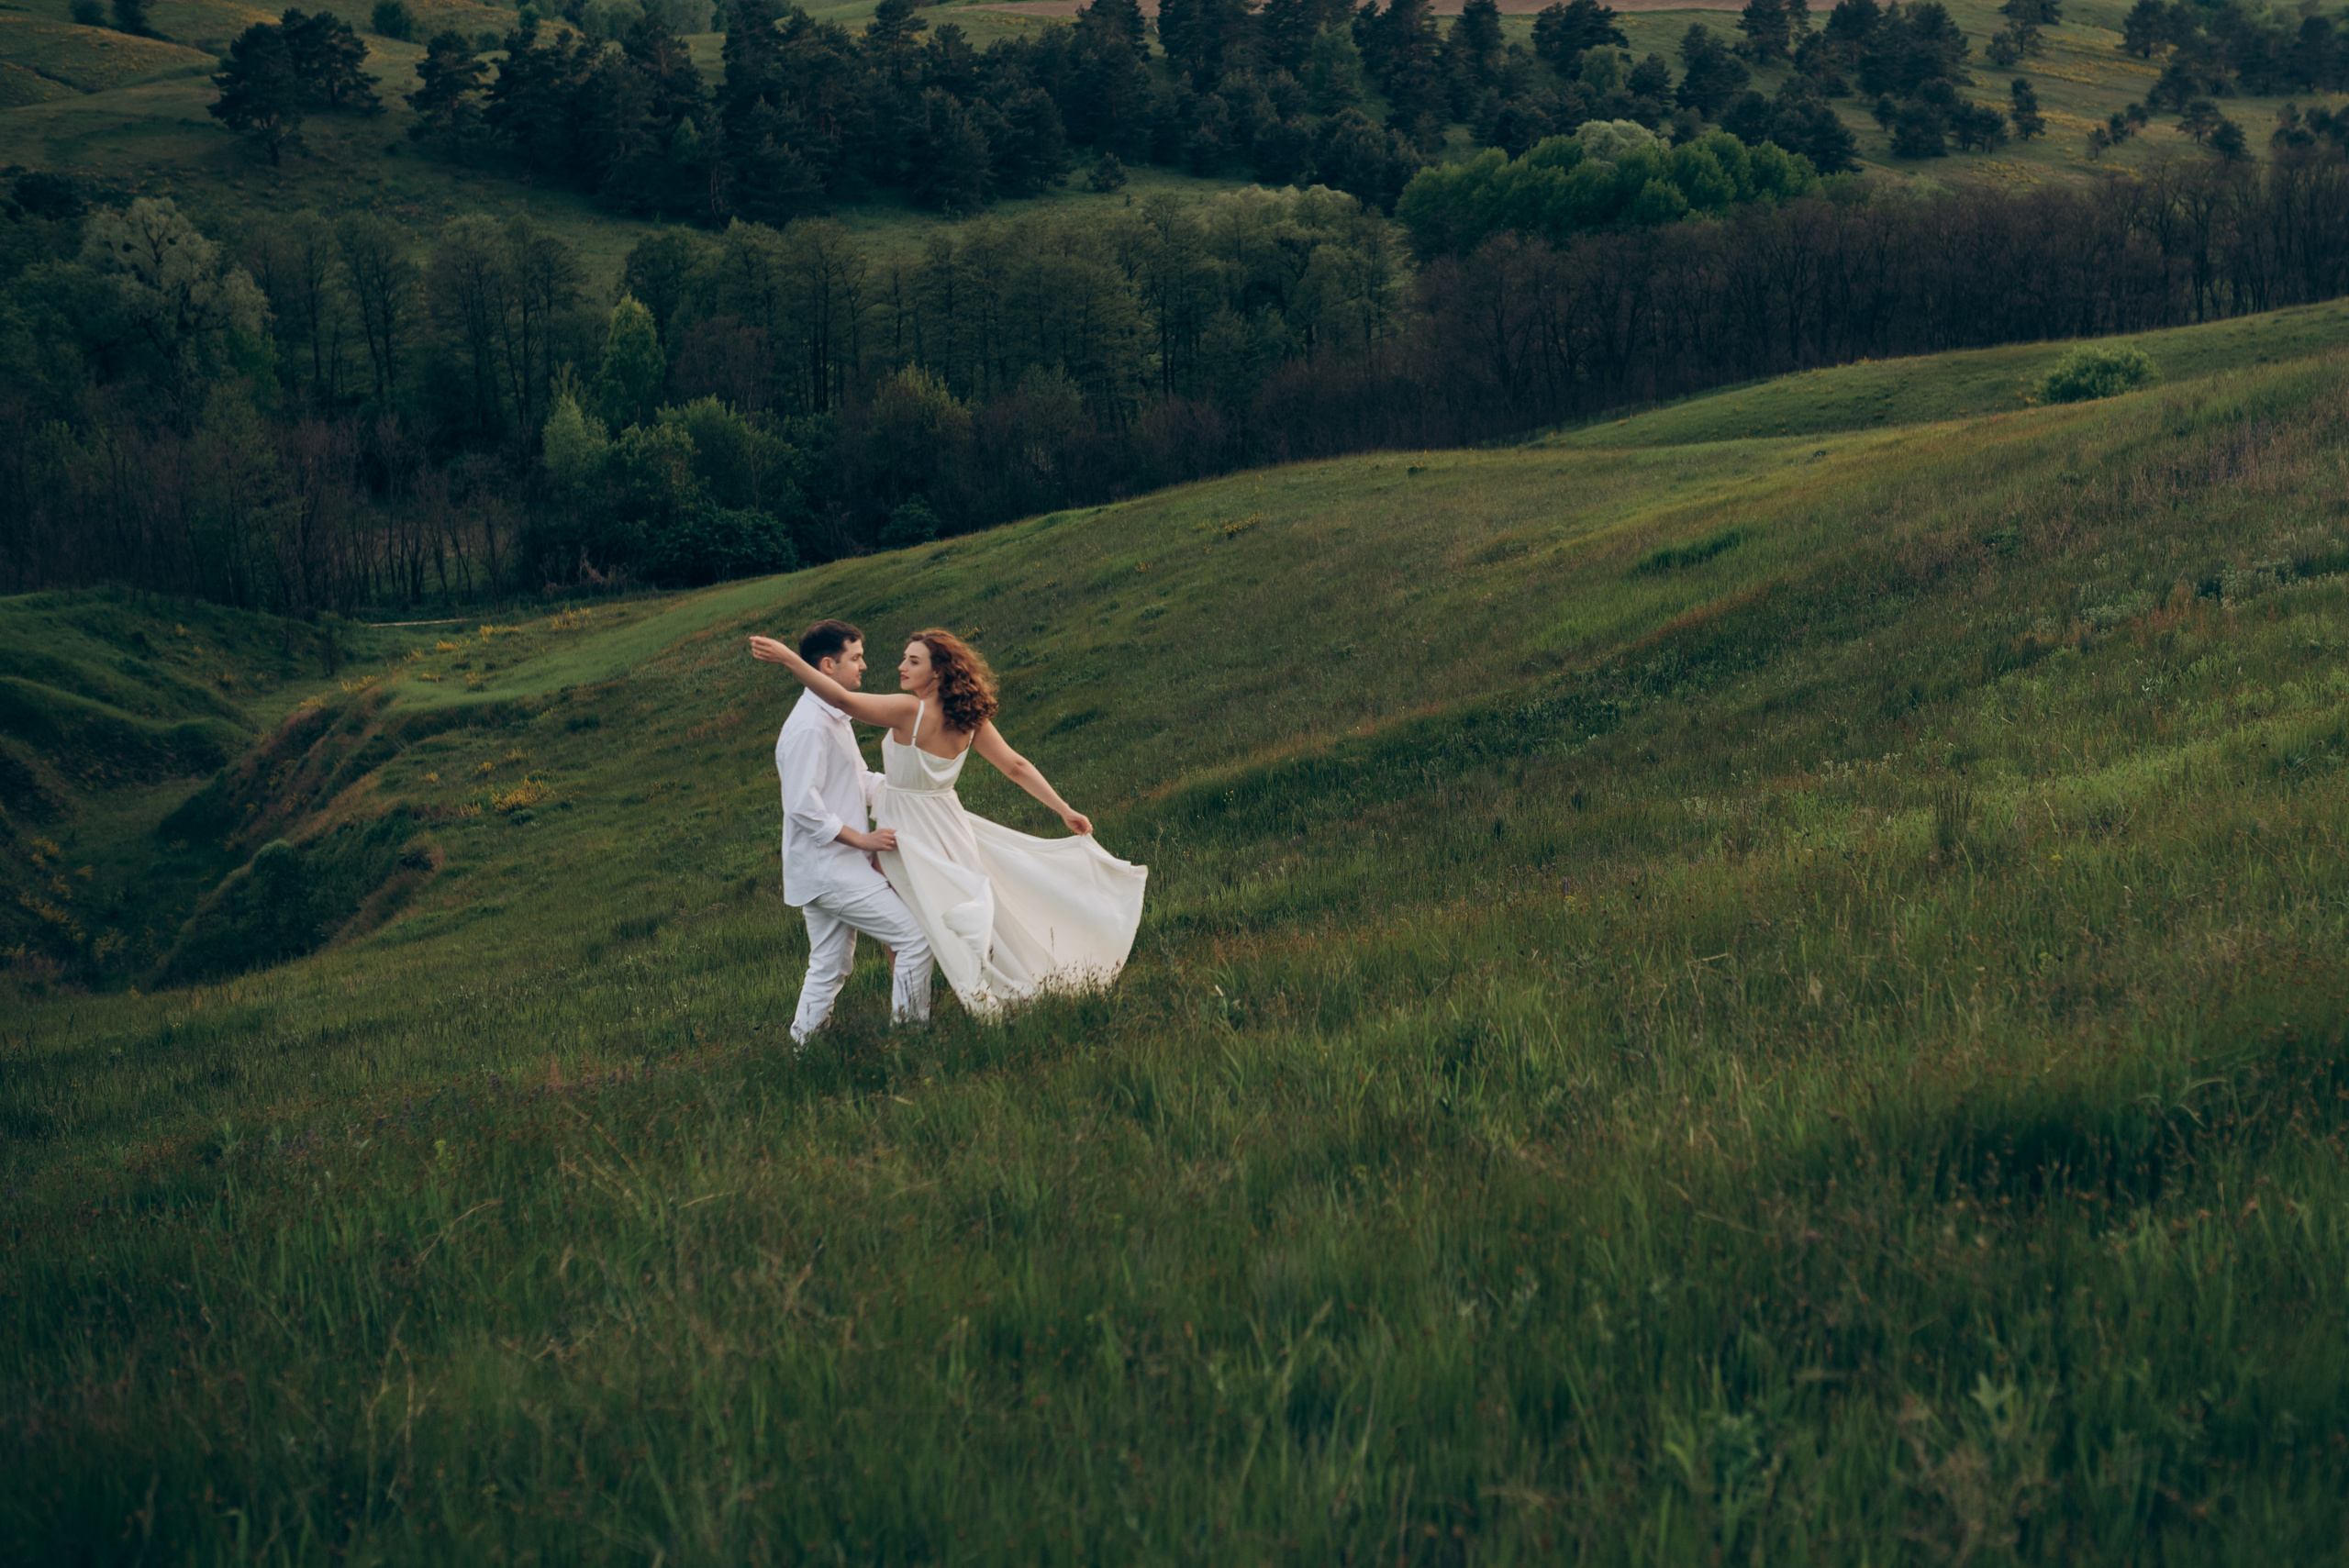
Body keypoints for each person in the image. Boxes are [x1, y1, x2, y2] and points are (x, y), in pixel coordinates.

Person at [748, 626, 1147, 1018]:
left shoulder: (909, 711)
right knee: (957, 915)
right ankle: (957, 997)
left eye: (913, 661)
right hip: (948, 824)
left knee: (911, 929)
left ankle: (918, 1014)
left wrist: (787, 658)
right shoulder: (969, 717)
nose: (900, 665)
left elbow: (842, 700)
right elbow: (1015, 765)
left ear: (936, 672)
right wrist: (1063, 808)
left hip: (906, 831)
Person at [771, 618, 935, 1046]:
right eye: (856, 658)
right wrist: (862, 840)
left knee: (829, 965)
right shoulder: (809, 725)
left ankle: (802, 1052)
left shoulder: (834, 716)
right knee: (916, 938)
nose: (864, 666)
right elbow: (802, 806)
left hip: (826, 867)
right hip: (831, 868)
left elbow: (859, 782)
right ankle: (910, 1039)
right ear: (828, 665)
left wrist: (916, 793)